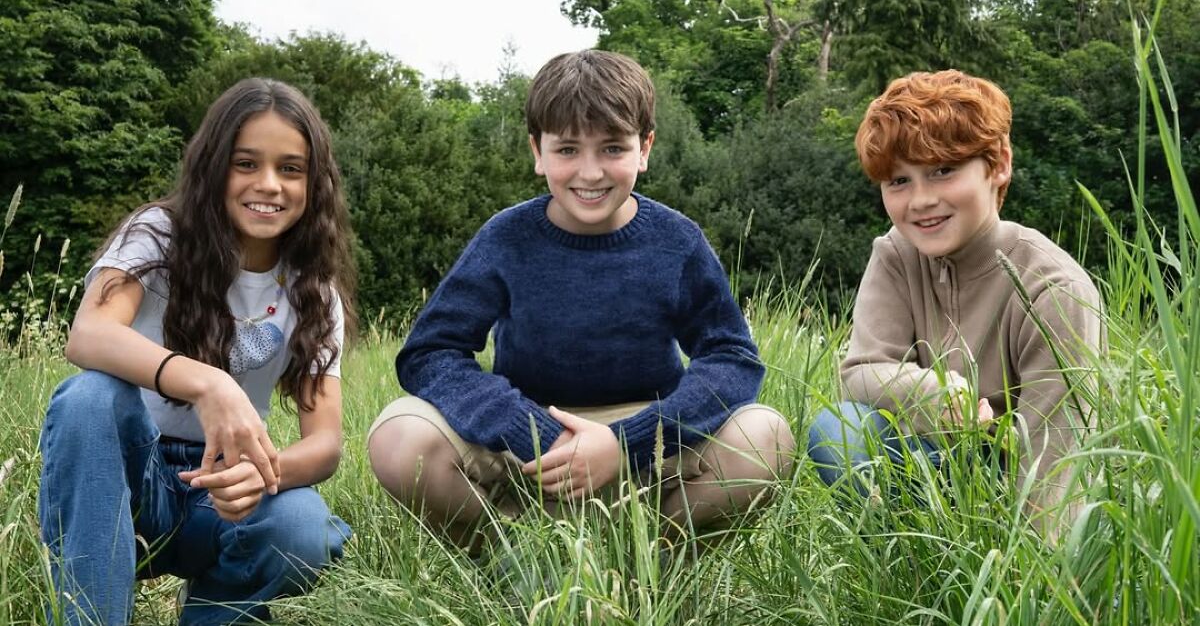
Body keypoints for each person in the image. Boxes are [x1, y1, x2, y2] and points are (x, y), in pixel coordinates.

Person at [367, 49, 795, 554]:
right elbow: (430, 354)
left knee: (767, 436)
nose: (589, 173)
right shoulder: (506, 238)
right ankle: (520, 553)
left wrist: (626, 442)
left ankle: (642, 557)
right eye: (567, 149)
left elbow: (731, 358)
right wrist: (533, 431)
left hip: (646, 444)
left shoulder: (676, 241)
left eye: (612, 148)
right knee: (397, 438)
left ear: (645, 149)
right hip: (524, 444)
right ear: (537, 151)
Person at [38, 78, 355, 625]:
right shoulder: (157, 234)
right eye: (246, 163)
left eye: (291, 168)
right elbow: (87, 333)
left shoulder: (314, 292)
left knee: (302, 525)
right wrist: (208, 382)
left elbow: (325, 443)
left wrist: (266, 471)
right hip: (124, 475)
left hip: (222, 490)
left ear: (314, 182)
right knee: (90, 396)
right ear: (213, 166)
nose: (270, 184)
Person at [807, 70, 1103, 534]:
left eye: (943, 171)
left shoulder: (1055, 287)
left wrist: (1036, 583)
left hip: (1017, 478)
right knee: (837, 429)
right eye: (899, 181)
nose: (921, 200)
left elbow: (1057, 452)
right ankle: (903, 569)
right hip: (929, 461)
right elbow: (861, 372)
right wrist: (937, 394)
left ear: (999, 164)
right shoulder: (895, 255)